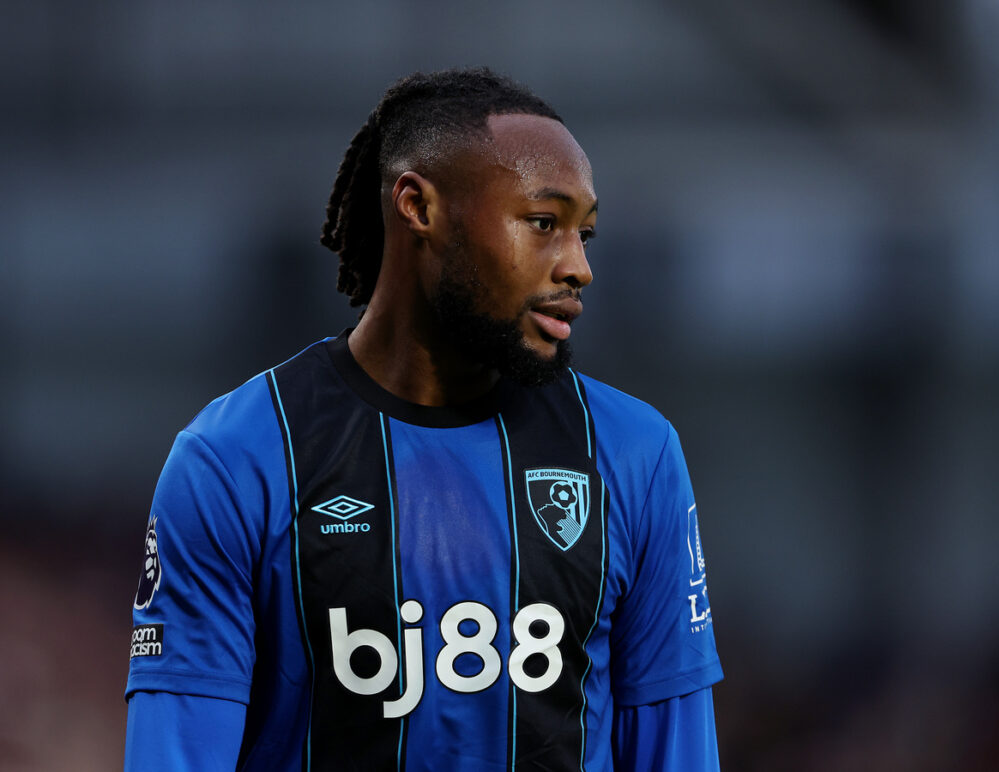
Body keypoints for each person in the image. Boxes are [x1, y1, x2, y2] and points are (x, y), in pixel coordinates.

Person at [124, 67, 723, 771]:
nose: (578, 267)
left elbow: (675, 750)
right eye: (543, 222)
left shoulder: (633, 453)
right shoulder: (237, 457)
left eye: (583, 233)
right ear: (419, 207)